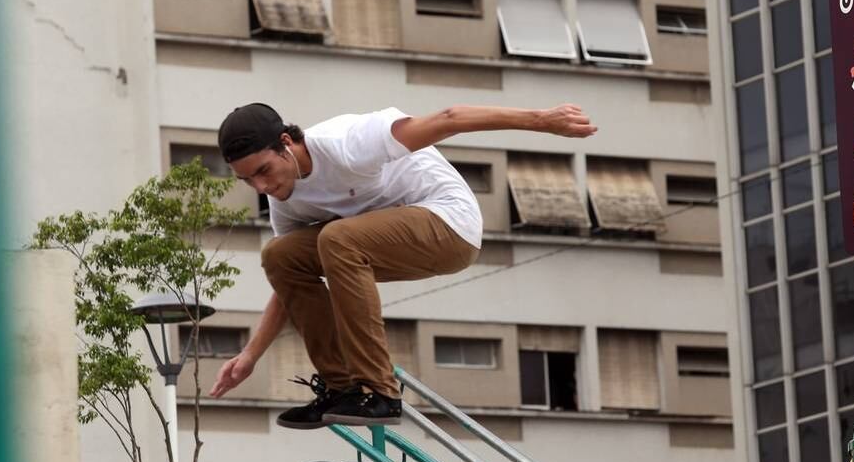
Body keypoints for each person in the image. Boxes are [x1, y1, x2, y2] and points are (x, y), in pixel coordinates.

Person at [208, 102, 597, 428]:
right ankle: (340, 389)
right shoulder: (284, 199)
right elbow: (289, 284)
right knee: (280, 254)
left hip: (449, 226)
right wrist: (250, 355)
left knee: (337, 238)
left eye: (264, 171)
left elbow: (448, 119)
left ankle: (378, 390)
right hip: (379, 243)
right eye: (248, 181)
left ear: (286, 144)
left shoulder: (347, 143)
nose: (262, 187)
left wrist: (543, 121)